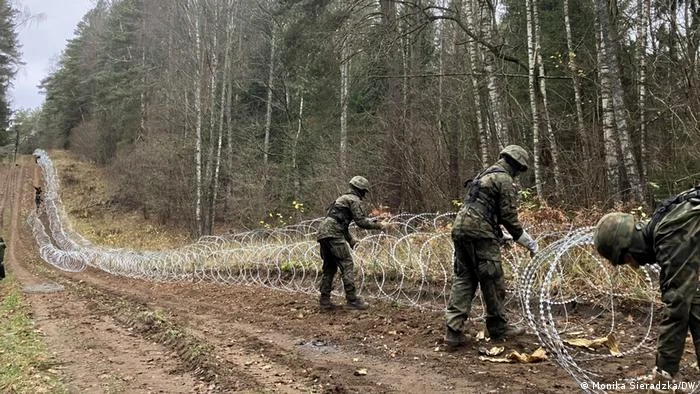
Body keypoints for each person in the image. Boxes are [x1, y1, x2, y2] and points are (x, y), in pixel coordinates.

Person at [594, 185, 700, 387]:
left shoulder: (669, 234)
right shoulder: (665, 221)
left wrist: (664, 375)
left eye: (626, 259)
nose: (633, 266)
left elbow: (677, 305)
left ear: (629, 246)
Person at [444, 145, 538, 349]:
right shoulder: (504, 180)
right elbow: (508, 217)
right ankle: (498, 327)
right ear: (516, 164)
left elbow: (482, 210)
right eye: (519, 169)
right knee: (492, 278)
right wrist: (528, 242)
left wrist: (497, 234)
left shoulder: (484, 175)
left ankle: (453, 332)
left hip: (461, 229)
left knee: (464, 278)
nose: (518, 174)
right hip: (480, 233)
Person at [316, 176, 391, 311]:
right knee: (347, 264)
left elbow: (340, 223)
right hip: (334, 234)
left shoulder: (341, 199)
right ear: (360, 190)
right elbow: (361, 221)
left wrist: (350, 240)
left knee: (329, 268)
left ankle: (324, 301)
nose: (364, 195)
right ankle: (352, 300)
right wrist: (380, 225)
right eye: (364, 192)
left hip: (323, 234)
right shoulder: (353, 200)